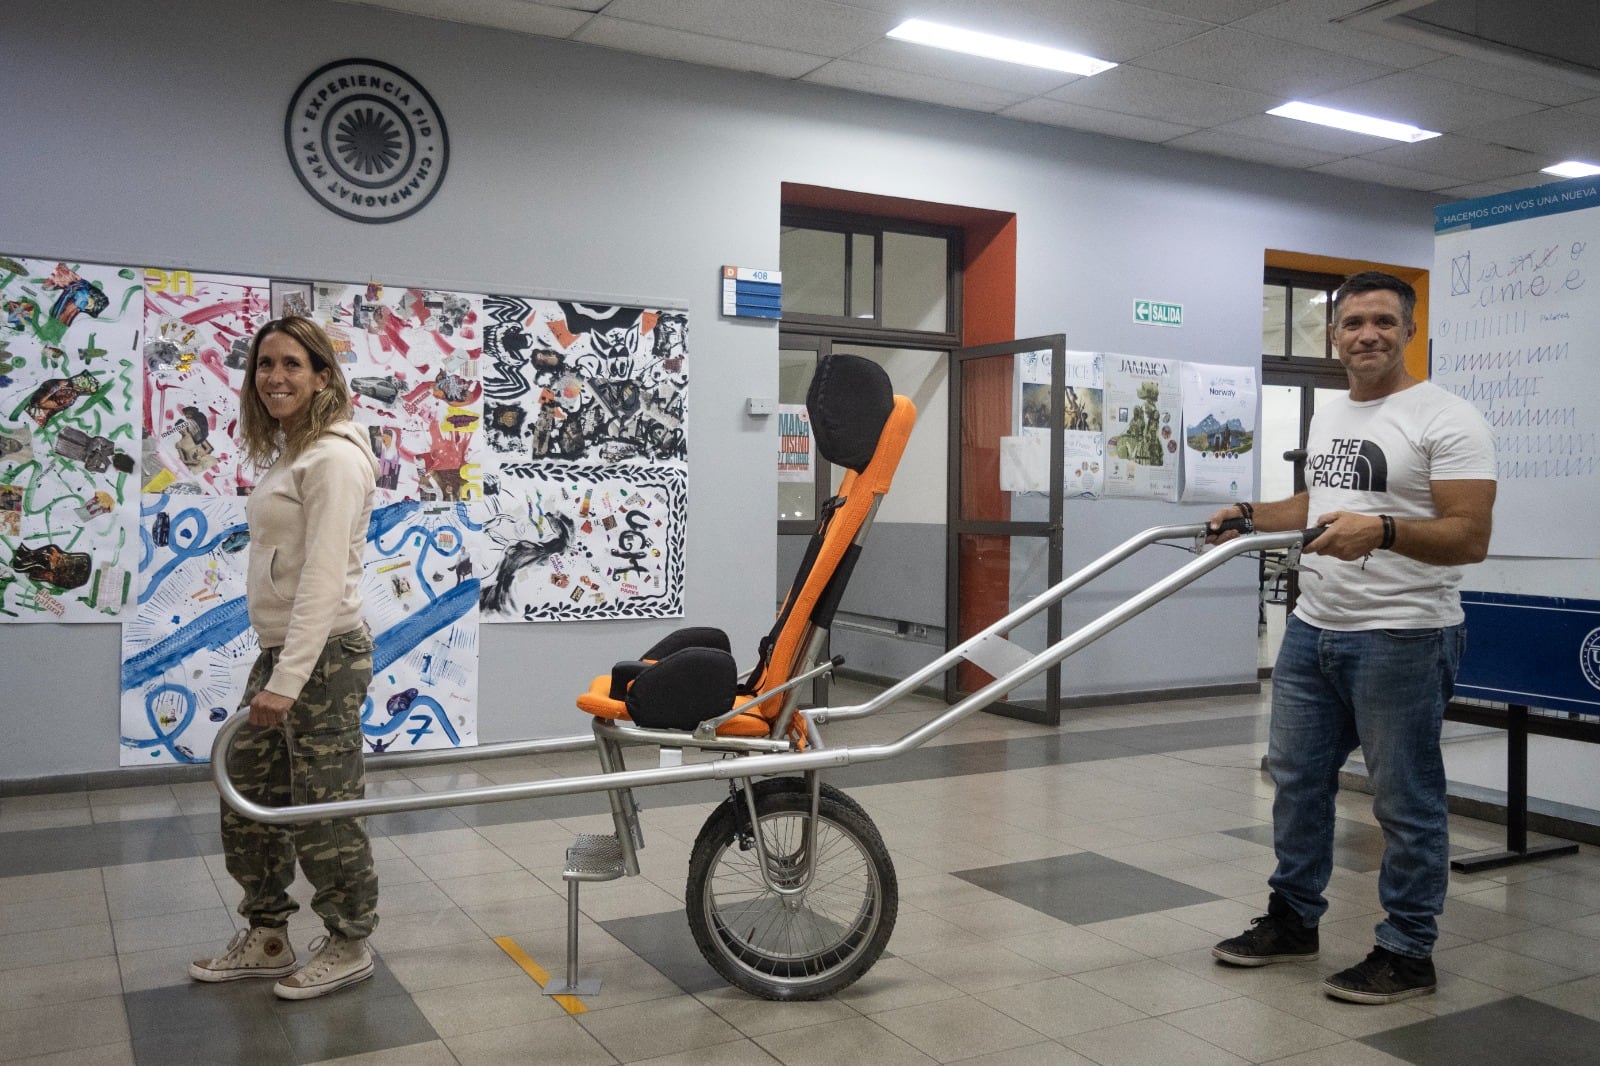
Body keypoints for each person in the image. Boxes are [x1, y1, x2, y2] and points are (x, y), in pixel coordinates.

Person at [1207, 271, 1496, 1005]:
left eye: (1383, 322)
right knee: (1297, 783)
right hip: (1314, 631)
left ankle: (1407, 952)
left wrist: (1388, 530)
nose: (1367, 334)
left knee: (1404, 801)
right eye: (1353, 322)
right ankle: (1293, 919)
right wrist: (1251, 511)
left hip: (1402, 635)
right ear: (1334, 334)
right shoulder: (1332, 412)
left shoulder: (1448, 418)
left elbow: (1470, 536)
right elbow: (1324, 501)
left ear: (1408, 331)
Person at [189, 316, 382, 1000]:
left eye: (293, 364)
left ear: (323, 375)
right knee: (250, 795)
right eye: (265, 364)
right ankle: (268, 935)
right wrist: (278, 668)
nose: (275, 376)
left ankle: (351, 939)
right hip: (288, 652)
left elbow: (324, 580)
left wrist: (290, 679)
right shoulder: (293, 451)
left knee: (324, 809)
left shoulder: (331, 457)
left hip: (322, 656)